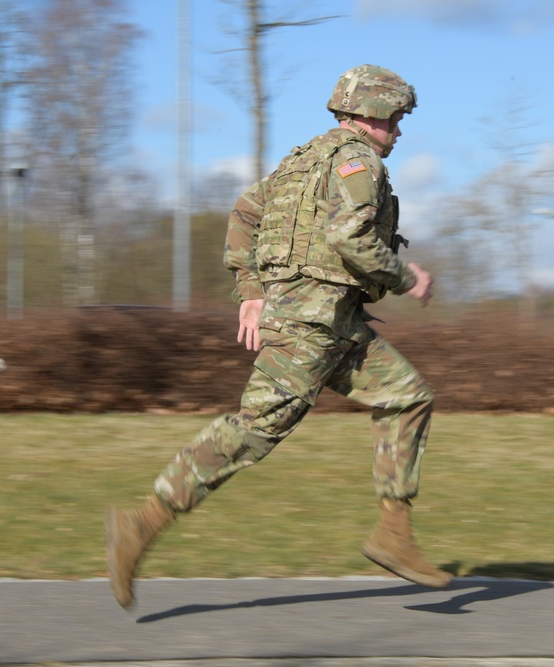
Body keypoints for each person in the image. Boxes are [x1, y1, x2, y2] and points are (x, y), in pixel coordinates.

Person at [105, 64, 452, 609]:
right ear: (373, 114)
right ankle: (140, 524)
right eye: (398, 121)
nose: (401, 134)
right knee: (255, 431)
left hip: (337, 326)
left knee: (408, 397)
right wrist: (410, 278)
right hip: (309, 329)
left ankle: (394, 534)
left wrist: (250, 290)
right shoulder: (359, 164)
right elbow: (348, 238)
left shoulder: (301, 162)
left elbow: (245, 212)